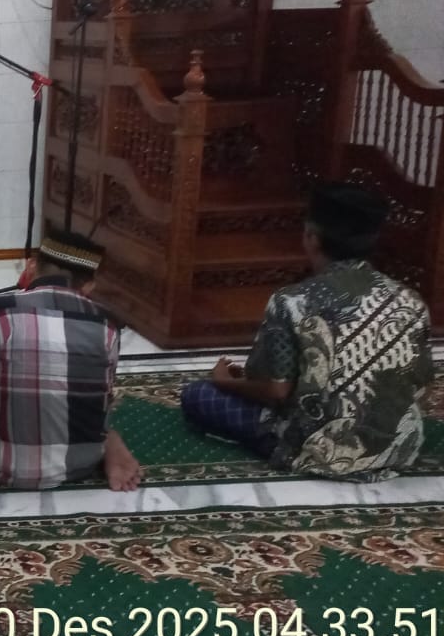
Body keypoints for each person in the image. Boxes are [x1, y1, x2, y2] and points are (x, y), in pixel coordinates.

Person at [180, 183, 432, 479]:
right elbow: (421, 386)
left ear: (312, 237)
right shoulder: (411, 300)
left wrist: (225, 383)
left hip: (319, 448)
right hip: (398, 446)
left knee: (197, 395)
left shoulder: (291, 301)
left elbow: (275, 391)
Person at [0, 230, 142, 492]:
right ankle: (107, 443)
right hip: (81, 464)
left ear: (31, 267)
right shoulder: (109, 323)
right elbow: (101, 399)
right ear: (89, 286)